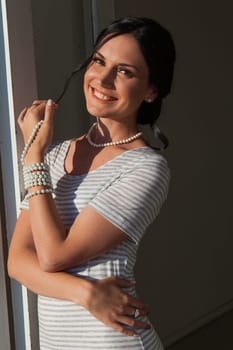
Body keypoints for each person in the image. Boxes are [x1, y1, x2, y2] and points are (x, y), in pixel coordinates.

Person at [8, 16, 176, 350]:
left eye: (125, 71)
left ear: (151, 91)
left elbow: (54, 256)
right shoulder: (53, 156)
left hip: (113, 340)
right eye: (99, 61)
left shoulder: (146, 168)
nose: (103, 78)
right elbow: (18, 262)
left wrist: (31, 158)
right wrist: (87, 293)